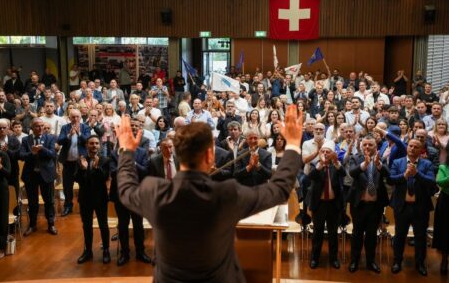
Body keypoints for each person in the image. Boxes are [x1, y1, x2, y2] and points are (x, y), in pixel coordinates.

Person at [115, 104, 302, 282]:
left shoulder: (154, 191)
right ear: (210, 156)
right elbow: (280, 189)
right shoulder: (227, 194)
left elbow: (125, 189)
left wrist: (125, 151)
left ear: (177, 154)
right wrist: (293, 145)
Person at [389, 139, 437, 276]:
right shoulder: (398, 162)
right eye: (410, 146)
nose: (412, 149)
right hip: (402, 207)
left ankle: (420, 263)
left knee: (420, 237)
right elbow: (391, 179)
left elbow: (432, 183)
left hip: (420, 207)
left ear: (421, 149)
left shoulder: (427, 164)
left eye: (416, 147)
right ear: (407, 147)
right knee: (399, 236)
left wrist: (417, 174)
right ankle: (397, 261)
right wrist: (404, 175)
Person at [347, 135, 389, 273]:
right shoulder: (355, 158)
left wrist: (378, 165)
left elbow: (387, 174)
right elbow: (352, 173)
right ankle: (354, 261)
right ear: (360, 146)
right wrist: (364, 165)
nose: (367, 147)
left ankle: (371, 262)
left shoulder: (380, 159)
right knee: (357, 234)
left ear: (375, 147)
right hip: (359, 204)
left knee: (372, 235)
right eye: (364, 145)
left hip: (375, 206)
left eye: (370, 145)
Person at [306, 140, 345, 269]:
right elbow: (311, 177)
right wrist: (321, 164)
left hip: (333, 204)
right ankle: (314, 259)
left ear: (332, 153)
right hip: (319, 205)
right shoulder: (315, 165)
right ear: (320, 153)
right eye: (323, 151)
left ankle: (334, 259)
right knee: (318, 233)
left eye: (328, 152)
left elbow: (343, 173)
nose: (325, 154)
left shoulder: (336, 165)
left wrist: (336, 161)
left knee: (333, 233)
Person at [75, 135, 111, 264]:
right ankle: (88, 251)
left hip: (100, 198)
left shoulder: (105, 160)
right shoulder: (80, 160)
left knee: (103, 225)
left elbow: (105, 177)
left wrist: (96, 168)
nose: (94, 146)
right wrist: (84, 169)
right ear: (86, 145)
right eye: (91, 143)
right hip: (85, 198)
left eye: (96, 143)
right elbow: (77, 179)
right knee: (87, 225)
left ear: (99, 146)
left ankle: (106, 250)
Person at [20, 118, 58, 236]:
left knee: (49, 201)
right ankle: (32, 225)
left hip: (46, 174)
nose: (40, 128)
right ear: (32, 128)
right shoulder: (26, 139)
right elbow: (21, 155)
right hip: (30, 175)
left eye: (42, 125)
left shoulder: (51, 138)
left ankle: (51, 224)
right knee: (32, 202)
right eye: (37, 126)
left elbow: (52, 154)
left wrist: (42, 149)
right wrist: (33, 153)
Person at [58, 109, 91, 216]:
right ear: (69, 117)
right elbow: (60, 140)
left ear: (80, 117)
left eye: (77, 117)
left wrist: (79, 133)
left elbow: (87, 141)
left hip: (81, 163)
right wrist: (69, 135)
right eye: (73, 117)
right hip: (68, 163)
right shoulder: (65, 127)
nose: (75, 119)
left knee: (84, 186)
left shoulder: (85, 127)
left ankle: (84, 206)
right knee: (67, 186)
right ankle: (68, 206)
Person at [434, 143, 449, 275]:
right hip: (446, 202)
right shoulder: (444, 166)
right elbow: (441, 182)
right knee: (445, 230)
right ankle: (444, 259)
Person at [0, 149, 10, 259]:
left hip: (2, 190)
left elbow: (9, 174)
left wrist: (0, 167)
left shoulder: (3, 155)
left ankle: (2, 247)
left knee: (2, 219)